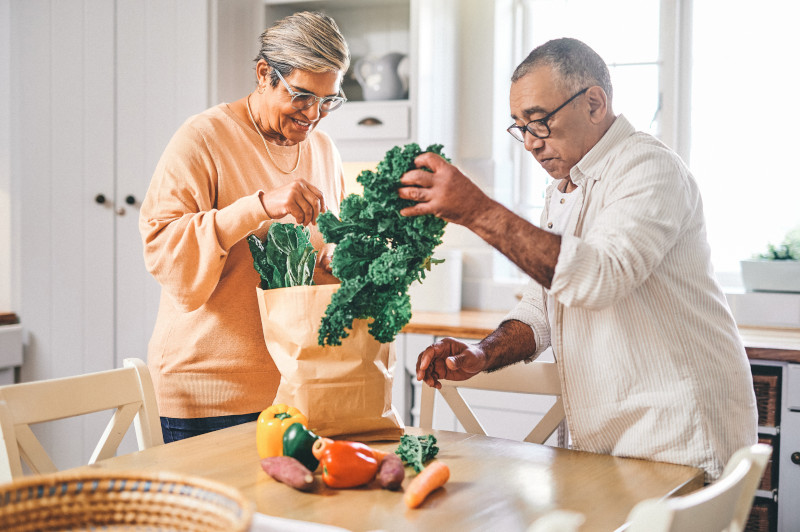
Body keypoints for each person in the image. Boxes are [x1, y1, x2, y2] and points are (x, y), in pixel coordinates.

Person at [398, 37, 757, 481]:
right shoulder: (564, 188)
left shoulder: (648, 167)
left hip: (678, 437)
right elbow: (542, 309)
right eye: (520, 127)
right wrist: (483, 352)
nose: (529, 143)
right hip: (606, 448)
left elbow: (600, 276)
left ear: (594, 103)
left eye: (539, 122)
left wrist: (476, 209)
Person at [139, 12, 349, 443]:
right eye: (303, 96)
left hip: (296, 388)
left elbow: (325, 254)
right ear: (263, 75)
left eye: (328, 100)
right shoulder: (202, 138)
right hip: (207, 396)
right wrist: (258, 207)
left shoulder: (324, 150)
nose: (314, 115)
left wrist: (338, 257)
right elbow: (163, 248)